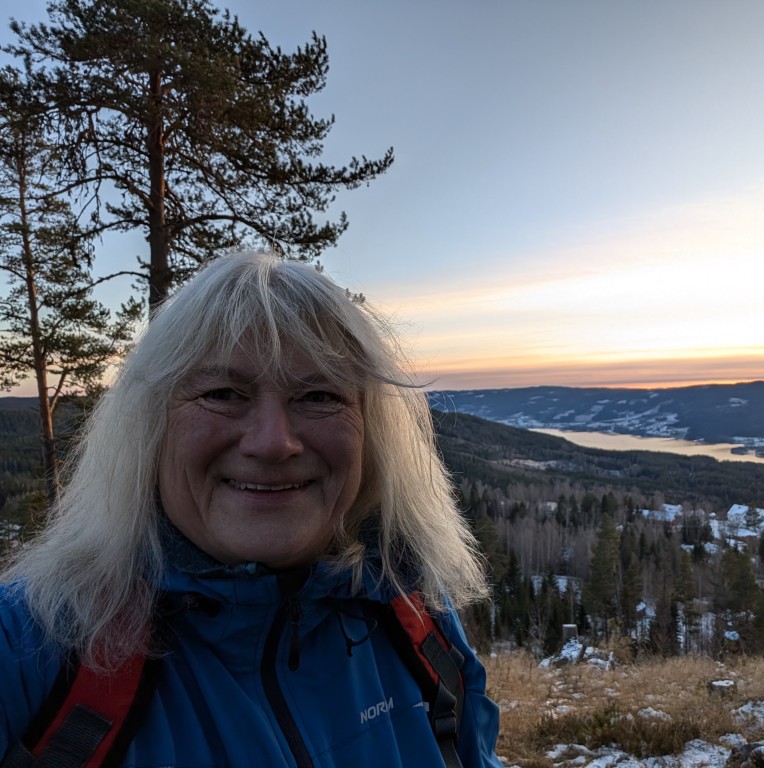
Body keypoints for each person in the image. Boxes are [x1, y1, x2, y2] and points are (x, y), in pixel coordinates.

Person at [0, 251, 501, 767]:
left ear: (373, 433)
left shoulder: (415, 613)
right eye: (222, 393)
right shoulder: (33, 649)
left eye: (318, 396)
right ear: (149, 428)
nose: (272, 443)